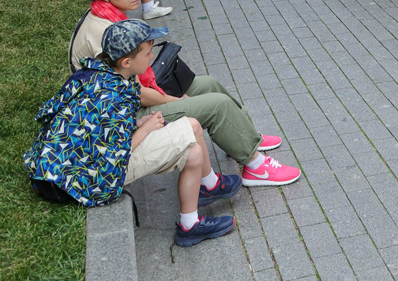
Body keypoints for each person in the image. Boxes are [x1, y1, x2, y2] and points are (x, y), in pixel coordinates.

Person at [69, 0, 301, 188]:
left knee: (208, 84)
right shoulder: (105, 33)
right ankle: (256, 166)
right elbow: (134, 94)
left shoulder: (108, 14)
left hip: (134, 93)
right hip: (128, 113)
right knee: (217, 105)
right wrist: (175, 99)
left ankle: (244, 136)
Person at [25, 19, 239, 247]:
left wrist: (135, 124)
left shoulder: (99, 74)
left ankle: (199, 204)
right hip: (84, 177)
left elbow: (97, 128)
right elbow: (116, 153)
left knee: (194, 139)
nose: (151, 57)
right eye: (147, 53)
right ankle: (195, 215)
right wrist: (145, 128)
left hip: (60, 167)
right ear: (126, 61)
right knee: (193, 138)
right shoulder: (114, 98)